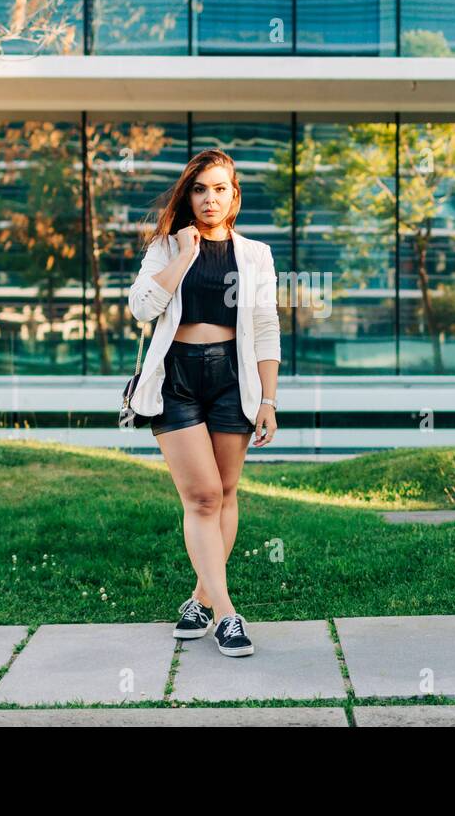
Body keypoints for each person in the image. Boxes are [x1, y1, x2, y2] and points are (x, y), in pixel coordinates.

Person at [126, 148, 282, 657]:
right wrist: (187, 256)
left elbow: (264, 327)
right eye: (199, 189)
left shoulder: (255, 254)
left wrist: (269, 399)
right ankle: (226, 614)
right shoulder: (168, 247)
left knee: (227, 492)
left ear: (234, 195)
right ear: (187, 194)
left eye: (219, 188)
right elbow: (141, 309)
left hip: (232, 379)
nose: (209, 199)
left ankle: (198, 598)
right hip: (177, 379)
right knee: (202, 497)